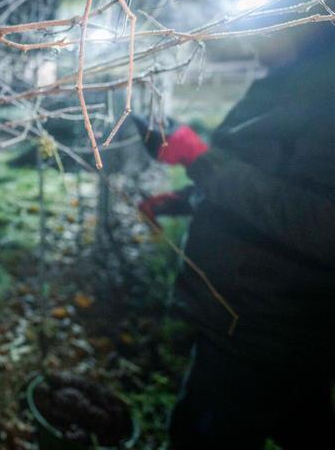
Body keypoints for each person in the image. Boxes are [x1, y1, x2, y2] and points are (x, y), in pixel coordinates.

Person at [134, 26, 335, 450]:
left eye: (265, 25)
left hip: (268, 332)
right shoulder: (280, 87)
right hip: (246, 317)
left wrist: (198, 158)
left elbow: (322, 223)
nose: (250, 36)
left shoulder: (326, 100)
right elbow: (262, 173)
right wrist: (186, 198)